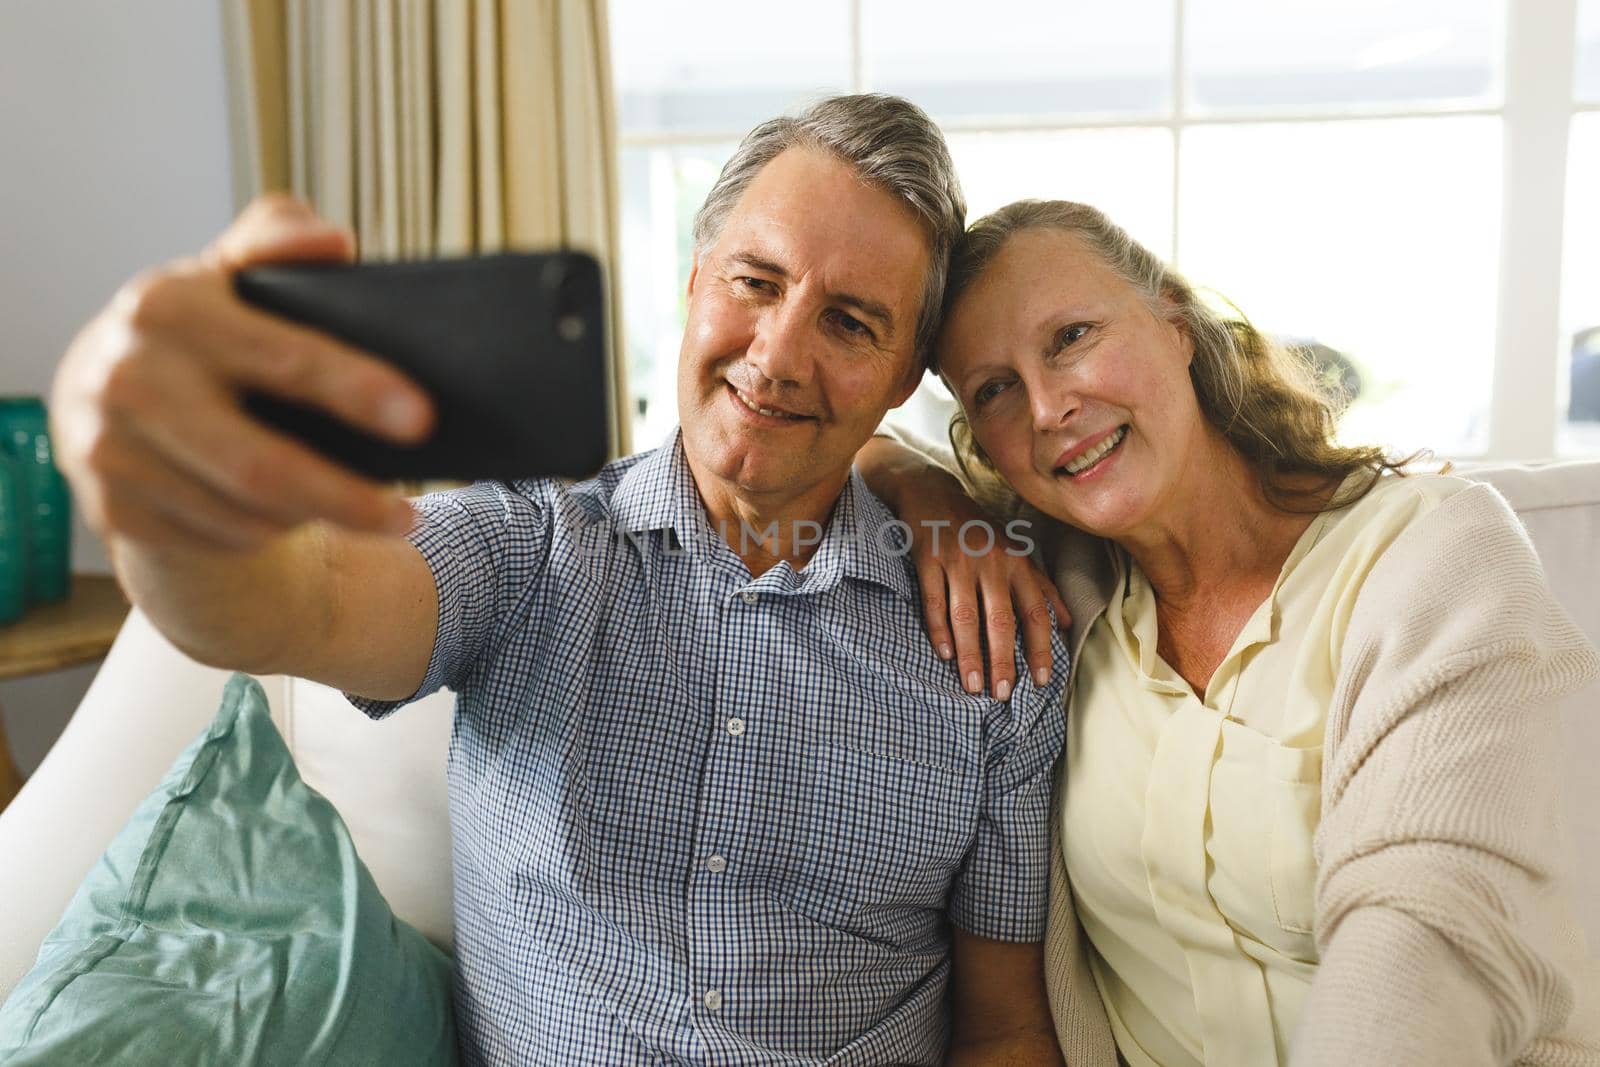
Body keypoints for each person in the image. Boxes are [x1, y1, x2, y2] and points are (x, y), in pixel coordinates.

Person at [48, 96, 1075, 1065]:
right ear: (694, 278)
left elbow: (1001, 1034)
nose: (777, 353)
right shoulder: (530, 545)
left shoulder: (991, 642)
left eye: (850, 322)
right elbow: (293, 600)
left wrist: (922, 479)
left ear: (902, 380)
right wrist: (163, 500)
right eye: (755, 282)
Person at [857, 199, 1600, 1065]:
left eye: (1071, 337)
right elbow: (848, 438)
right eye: (994, 389)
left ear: (1174, 320)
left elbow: (1430, 935)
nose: (1050, 406)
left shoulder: (1434, 556)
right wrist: (915, 483)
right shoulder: (1063, 580)